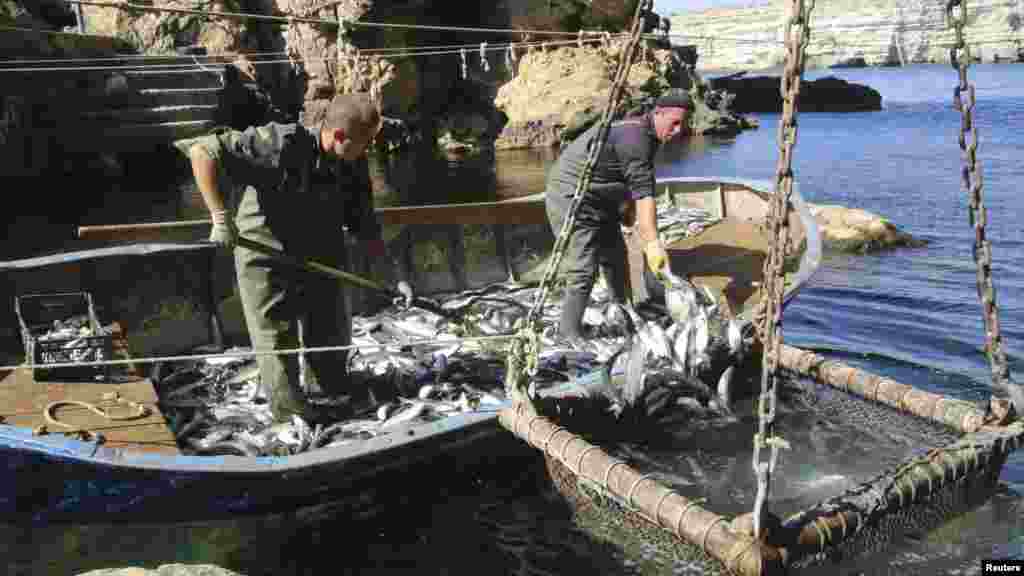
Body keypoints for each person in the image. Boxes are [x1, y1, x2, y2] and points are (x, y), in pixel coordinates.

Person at [174, 93, 386, 424]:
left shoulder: (352, 162)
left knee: (331, 325)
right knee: (276, 335)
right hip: (266, 252)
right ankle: (291, 417)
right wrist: (219, 217)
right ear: (340, 136)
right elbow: (203, 151)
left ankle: (331, 389)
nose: (369, 149)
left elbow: (365, 225)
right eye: (366, 141)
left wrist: (393, 274)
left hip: (320, 251)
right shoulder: (281, 142)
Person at [544, 89, 692, 346]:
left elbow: (630, 180)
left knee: (614, 255)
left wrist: (626, 210)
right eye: (674, 122)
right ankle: (566, 333)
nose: (678, 130)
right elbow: (645, 195)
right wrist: (653, 244)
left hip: (601, 196)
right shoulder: (635, 138)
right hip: (572, 195)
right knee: (583, 268)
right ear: (658, 113)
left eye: (683, 124)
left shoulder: (648, 134)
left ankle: (622, 310)